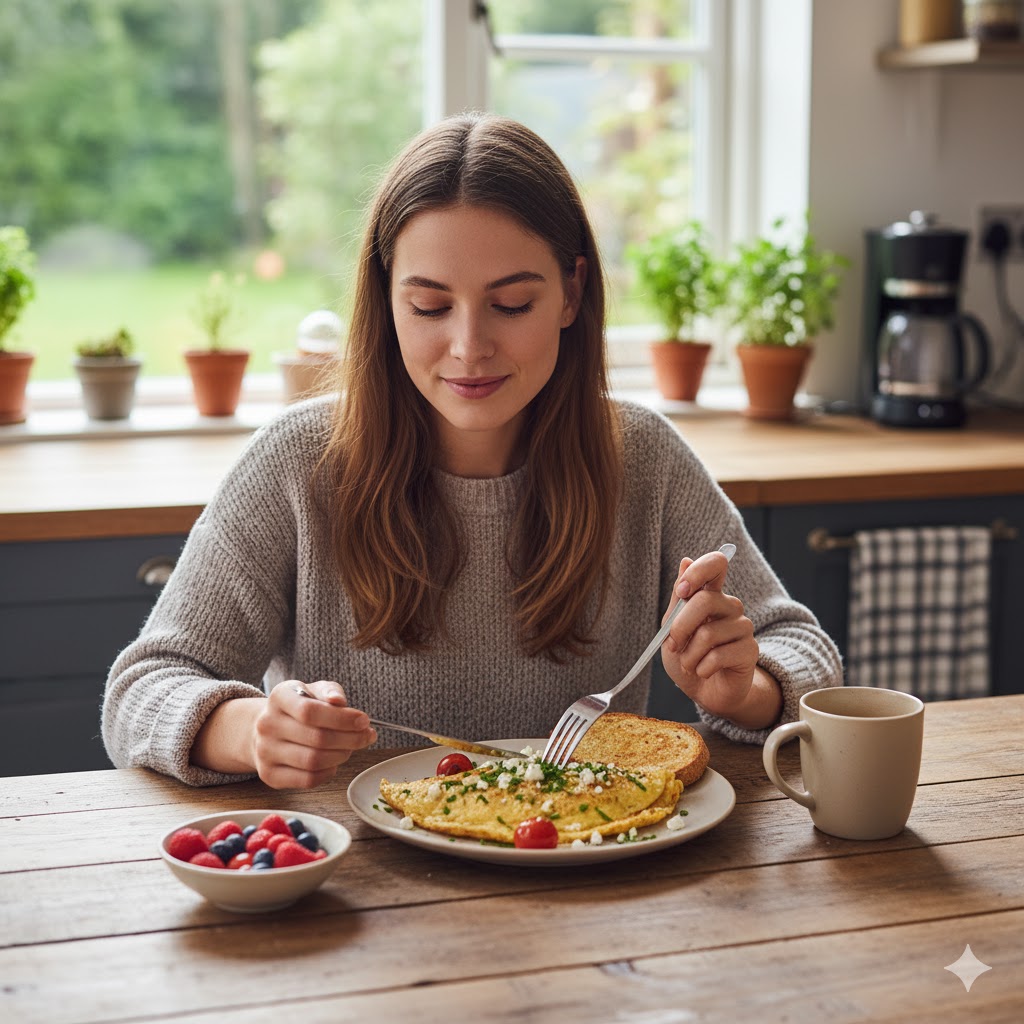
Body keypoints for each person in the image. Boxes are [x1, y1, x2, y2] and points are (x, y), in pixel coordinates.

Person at [102, 113, 842, 788]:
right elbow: (145, 687)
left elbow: (805, 652)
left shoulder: (640, 456)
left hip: (590, 884)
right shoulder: (299, 462)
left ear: (571, 294)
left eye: (512, 304)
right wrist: (252, 731)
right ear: (387, 299)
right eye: (429, 306)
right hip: (361, 897)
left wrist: (744, 689)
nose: (469, 347)